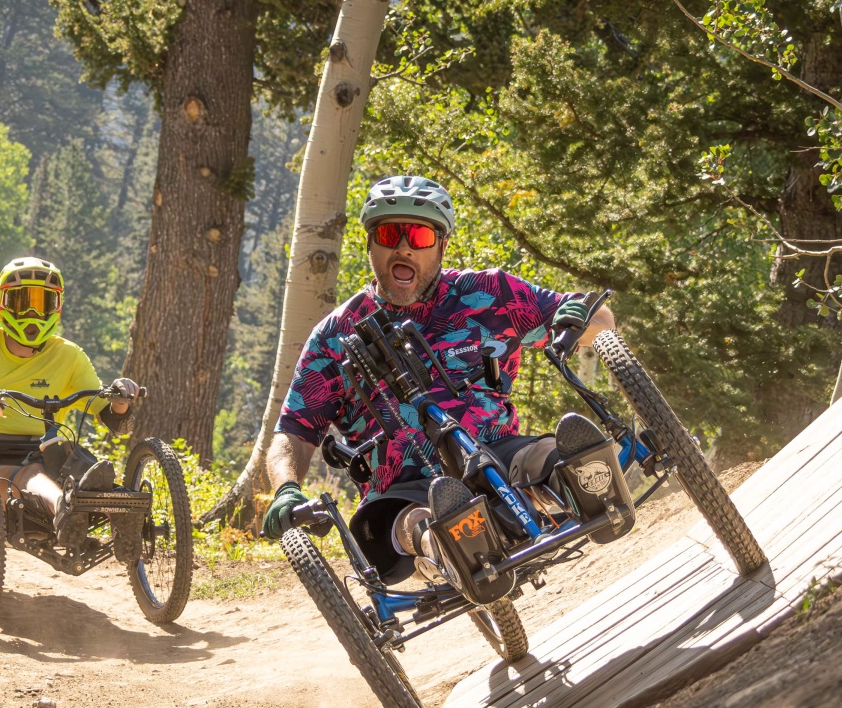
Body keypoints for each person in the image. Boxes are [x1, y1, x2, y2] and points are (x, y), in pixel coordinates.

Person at [261, 174, 617, 580]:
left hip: (497, 450)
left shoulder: (487, 293)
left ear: (442, 244)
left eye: (419, 235)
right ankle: (451, 547)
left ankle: (585, 481)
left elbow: (599, 320)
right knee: (418, 520)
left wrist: (581, 320)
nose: (403, 246)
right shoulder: (334, 336)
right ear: (370, 243)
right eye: (390, 233)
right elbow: (294, 431)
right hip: (402, 486)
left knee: (539, 455)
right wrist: (286, 488)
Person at [0, 257, 141, 549]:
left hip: (39, 451)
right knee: (25, 473)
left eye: (42, 303)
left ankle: (112, 515)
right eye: (21, 302)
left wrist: (121, 400)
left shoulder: (69, 356)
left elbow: (115, 421)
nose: (31, 313)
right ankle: (68, 509)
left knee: (65, 455)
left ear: (56, 307)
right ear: (2, 303)